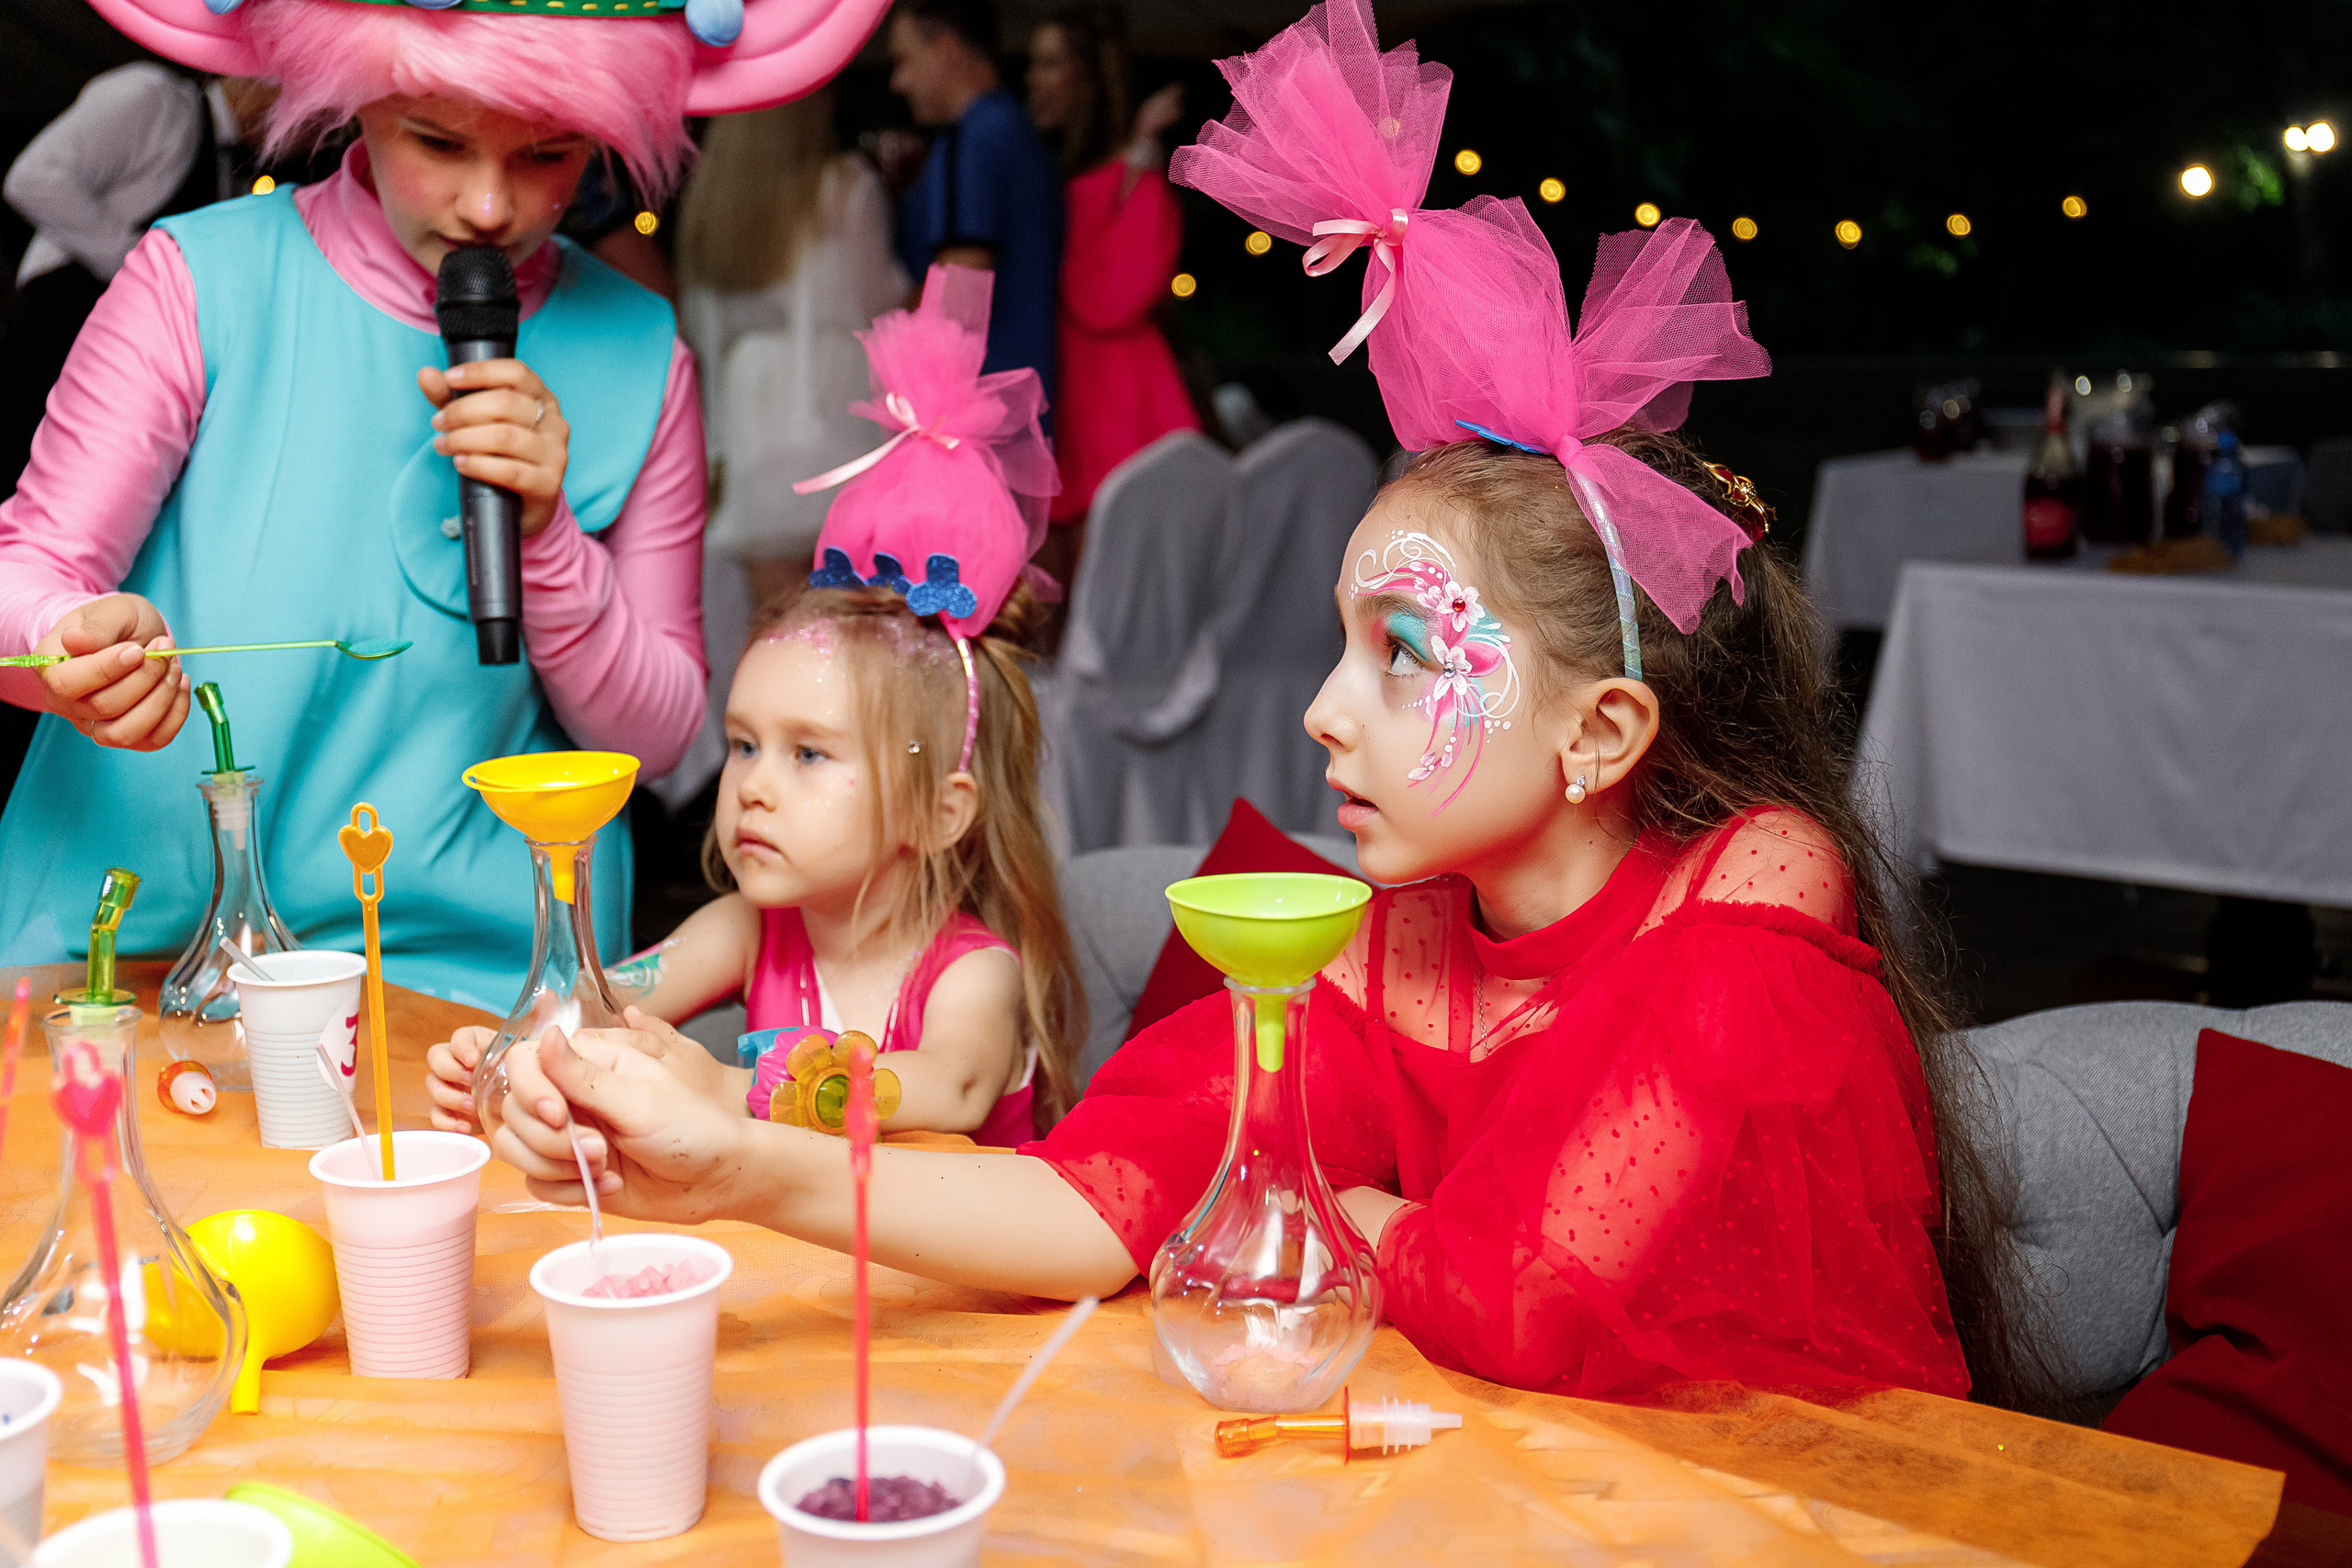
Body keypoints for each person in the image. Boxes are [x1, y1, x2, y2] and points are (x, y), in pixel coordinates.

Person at [481, 0, 2038, 1407]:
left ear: (1602, 733)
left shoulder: (1745, 922)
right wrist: (735, 1161)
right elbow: (1092, 1200)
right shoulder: (1397, 945)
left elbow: (1530, 1297)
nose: (1322, 714)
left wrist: (1367, 1221)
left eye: (1403, 653)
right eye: (1340, 646)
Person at [0, 0, 866, 1000]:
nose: (490, 206)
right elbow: (28, 576)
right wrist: (68, 643)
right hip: (140, 938)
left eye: (547, 154)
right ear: (360, 96)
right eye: (439, 142)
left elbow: (656, 738)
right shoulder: (198, 280)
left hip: (471, 982)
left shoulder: (642, 354)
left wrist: (547, 539)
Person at [432, 264, 1080, 1141]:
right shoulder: (752, 930)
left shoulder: (972, 972)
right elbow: (600, 999)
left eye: (808, 753)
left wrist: (730, 1087)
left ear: (939, 810)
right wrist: (516, 1048)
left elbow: (949, 1087)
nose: (753, 788)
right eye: (743, 745)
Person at [676, 94, 909, 609]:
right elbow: (879, 307)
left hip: (747, 412)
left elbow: (700, 323)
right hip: (835, 406)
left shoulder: (712, 199)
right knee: (858, 621)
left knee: (776, 622)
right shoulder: (845, 186)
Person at [2, 67, 275, 494]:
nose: (310, 134)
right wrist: (138, 262)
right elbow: (33, 178)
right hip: (62, 325)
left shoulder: (237, 180)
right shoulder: (154, 98)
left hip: (121, 371)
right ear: (260, 80)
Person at [1025, 5, 1197, 561]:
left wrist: (1137, 165)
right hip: (1090, 392)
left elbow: (1106, 299)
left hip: (1108, 398)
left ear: (1087, 78)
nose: (1033, 79)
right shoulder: (1075, 174)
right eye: (1033, 63)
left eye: (1049, 63)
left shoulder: (1120, 179)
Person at [887, 0, 1061, 400]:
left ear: (946, 48)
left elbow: (961, 288)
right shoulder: (1019, 130)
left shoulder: (969, 141)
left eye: (905, 60)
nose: (899, 82)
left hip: (976, 401)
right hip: (1029, 393)